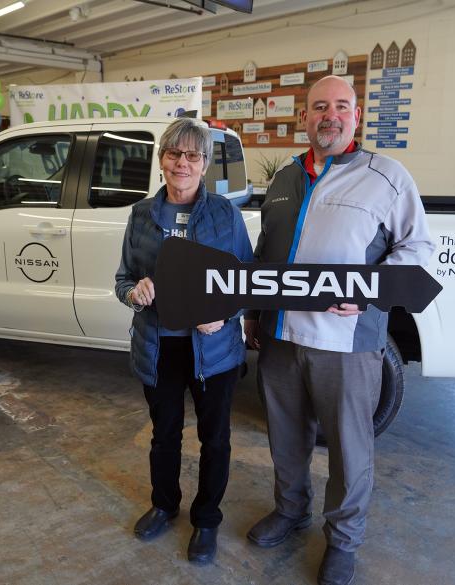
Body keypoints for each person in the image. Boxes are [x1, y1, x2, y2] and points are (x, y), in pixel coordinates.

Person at [244, 76, 435, 585]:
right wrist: (252, 314)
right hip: (282, 336)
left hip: (345, 344)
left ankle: (344, 541)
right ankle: (291, 510)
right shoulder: (285, 179)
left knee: (350, 447)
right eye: (319, 107)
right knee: (285, 437)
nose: (330, 115)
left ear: (356, 116)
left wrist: (371, 289)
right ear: (305, 117)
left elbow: (418, 250)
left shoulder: (386, 176)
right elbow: (266, 256)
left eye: (341, 107)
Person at [115, 117, 253, 564]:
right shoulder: (140, 216)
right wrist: (134, 294)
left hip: (213, 352)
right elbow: (123, 279)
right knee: (165, 435)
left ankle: (207, 520)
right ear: (162, 160)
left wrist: (225, 312)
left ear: (205, 163)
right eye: (174, 154)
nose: (182, 163)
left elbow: (247, 280)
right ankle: (164, 505)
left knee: (215, 439)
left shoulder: (224, 215)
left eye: (193, 155)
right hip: (160, 347)